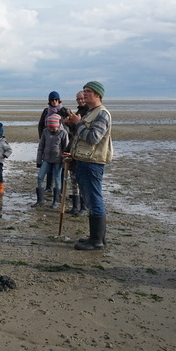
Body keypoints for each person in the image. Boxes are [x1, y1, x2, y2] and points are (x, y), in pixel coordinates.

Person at [65, 81, 112, 251]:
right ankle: (97, 237)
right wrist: (74, 124)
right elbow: (82, 134)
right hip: (84, 160)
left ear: (98, 95)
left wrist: (78, 124)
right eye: (84, 91)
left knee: (94, 198)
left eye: (88, 91)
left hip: (93, 162)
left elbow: (93, 138)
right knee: (91, 199)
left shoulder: (102, 114)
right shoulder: (91, 112)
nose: (84, 94)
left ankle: (97, 241)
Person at [32, 115, 70, 208]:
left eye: (53, 127)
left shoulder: (63, 133)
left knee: (57, 179)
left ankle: (56, 201)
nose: (51, 129)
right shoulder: (45, 132)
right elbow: (41, 147)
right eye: (50, 127)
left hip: (58, 161)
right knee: (40, 176)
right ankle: (40, 200)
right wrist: (39, 160)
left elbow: (66, 149)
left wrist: (65, 163)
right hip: (47, 159)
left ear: (58, 125)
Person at [37, 91, 71, 192]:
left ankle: (60, 190)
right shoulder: (46, 111)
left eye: (56, 99)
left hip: (62, 140)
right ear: (49, 101)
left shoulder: (64, 111)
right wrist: (42, 138)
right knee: (48, 168)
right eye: (52, 100)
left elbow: (69, 125)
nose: (54, 102)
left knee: (60, 170)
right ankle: (48, 187)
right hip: (48, 139)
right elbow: (40, 125)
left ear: (59, 100)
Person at [66, 90, 90, 215]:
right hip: (73, 149)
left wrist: (76, 123)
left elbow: (84, 132)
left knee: (82, 181)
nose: (80, 101)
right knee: (73, 179)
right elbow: (74, 132)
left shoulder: (89, 112)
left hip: (82, 151)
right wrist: (70, 124)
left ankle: (83, 207)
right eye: (78, 99)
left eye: (82, 99)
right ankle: (75, 207)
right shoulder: (79, 112)